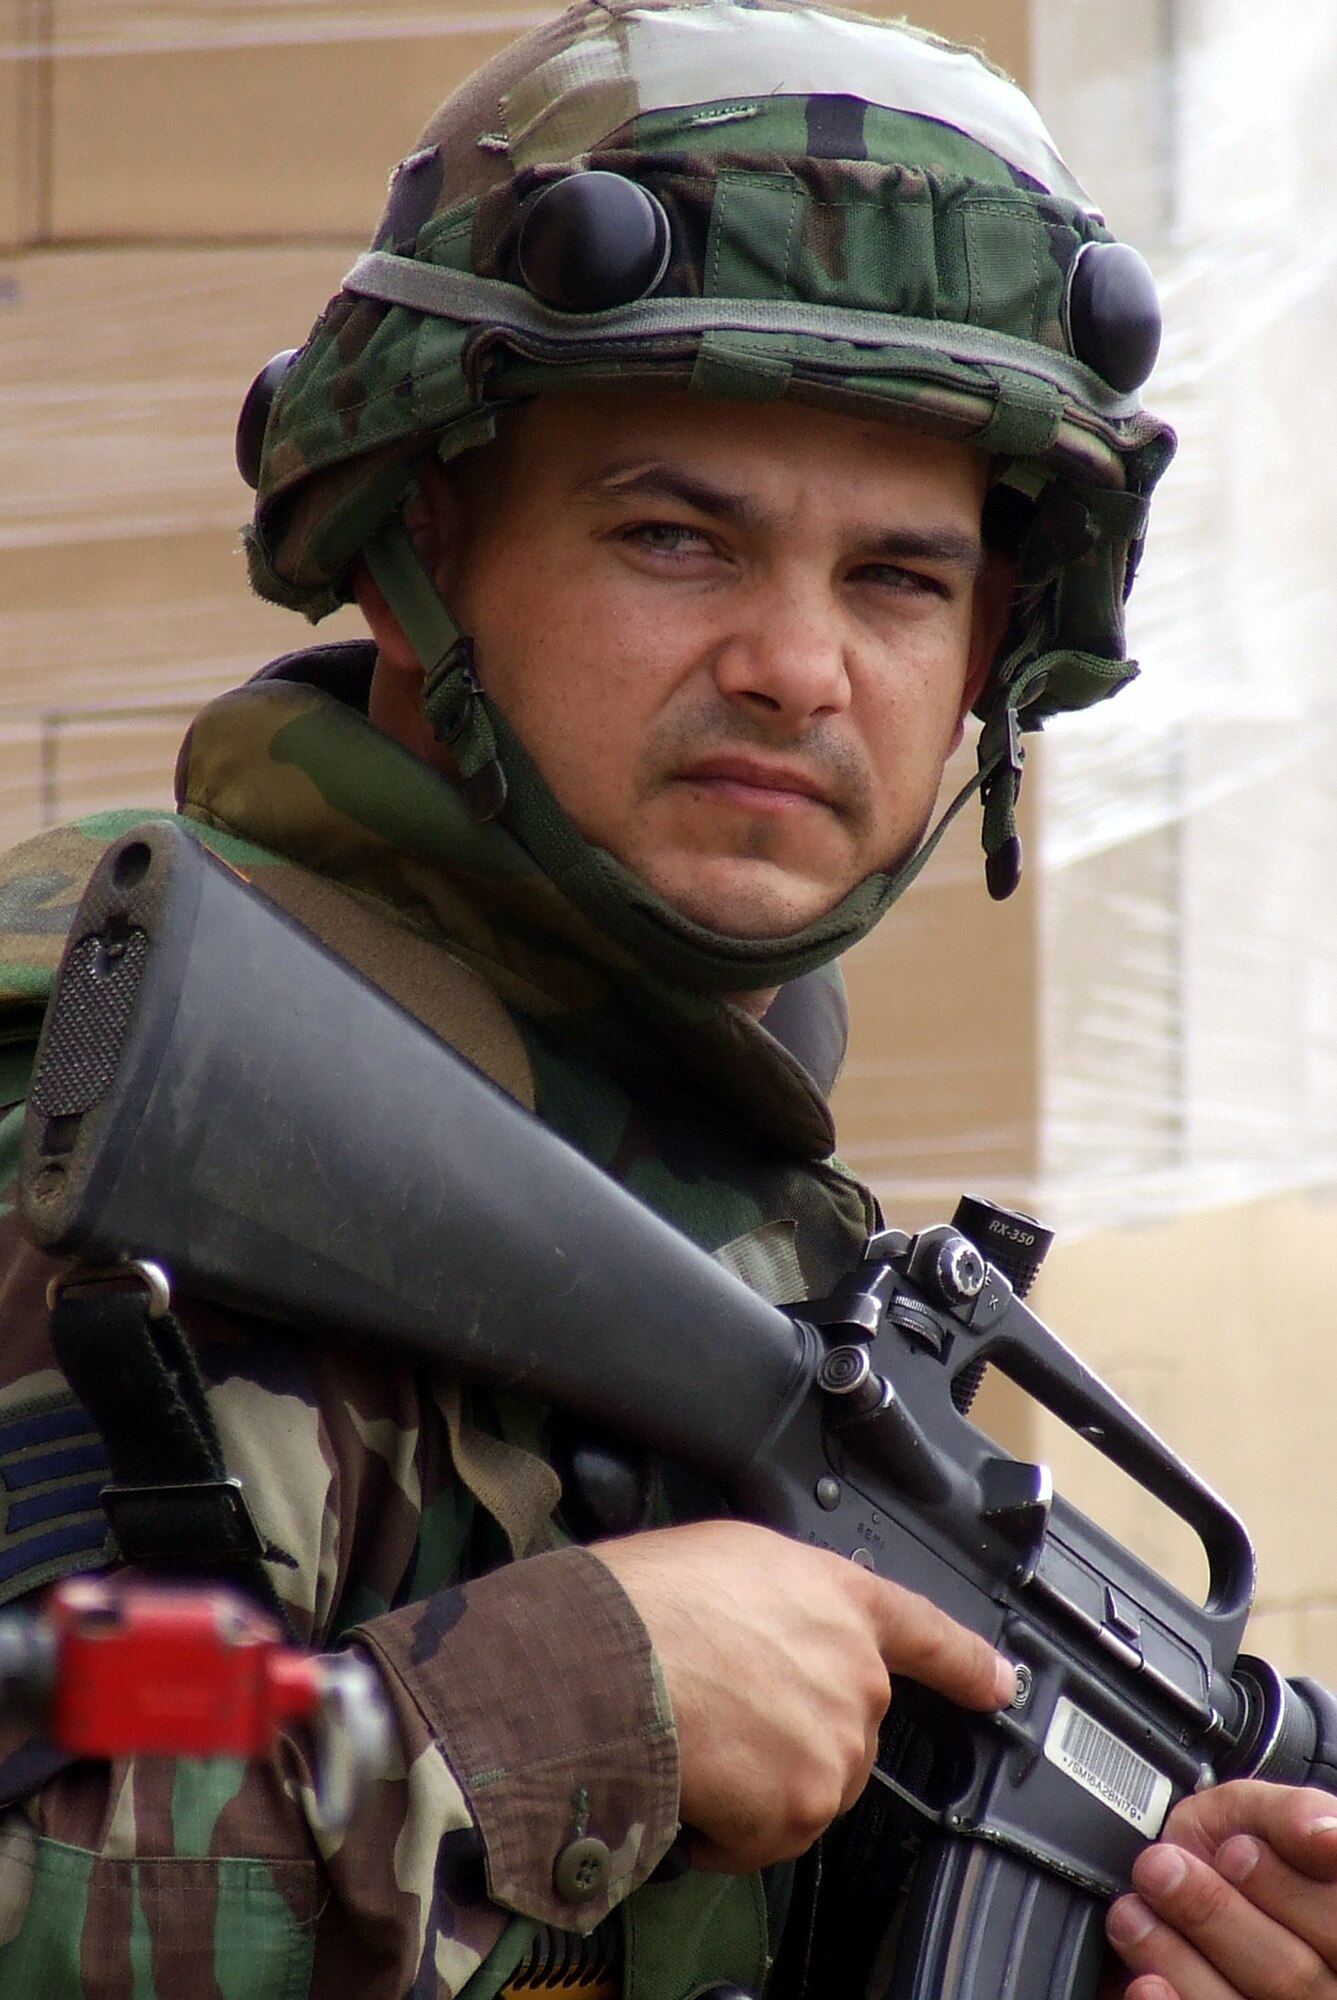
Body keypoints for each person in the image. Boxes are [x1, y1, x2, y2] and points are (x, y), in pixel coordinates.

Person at [0, 3, 1333, 1996]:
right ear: (414, 544)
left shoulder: (728, 1210)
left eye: (898, 579)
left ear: (993, 651)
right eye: (673, 534)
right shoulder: (102, 1107)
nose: (802, 666)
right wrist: (567, 1706)